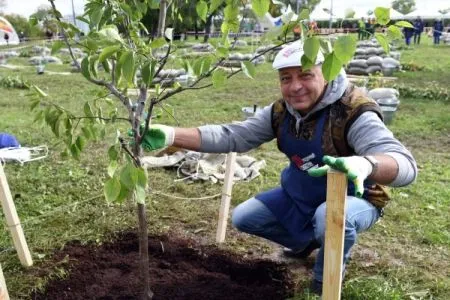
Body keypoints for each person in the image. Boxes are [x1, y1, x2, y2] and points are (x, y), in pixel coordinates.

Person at [139, 41, 417, 295]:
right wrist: (172, 135)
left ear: (327, 73)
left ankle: (325, 276)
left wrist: (366, 163)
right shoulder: (281, 112)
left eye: (305, 75)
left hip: (356, 199)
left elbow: (404, 165)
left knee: (330, 217)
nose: (295, 86)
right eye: (286, 78)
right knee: (244, 217)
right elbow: (232, 135)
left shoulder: (353, 112)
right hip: (301, 195)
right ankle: (306, 242)